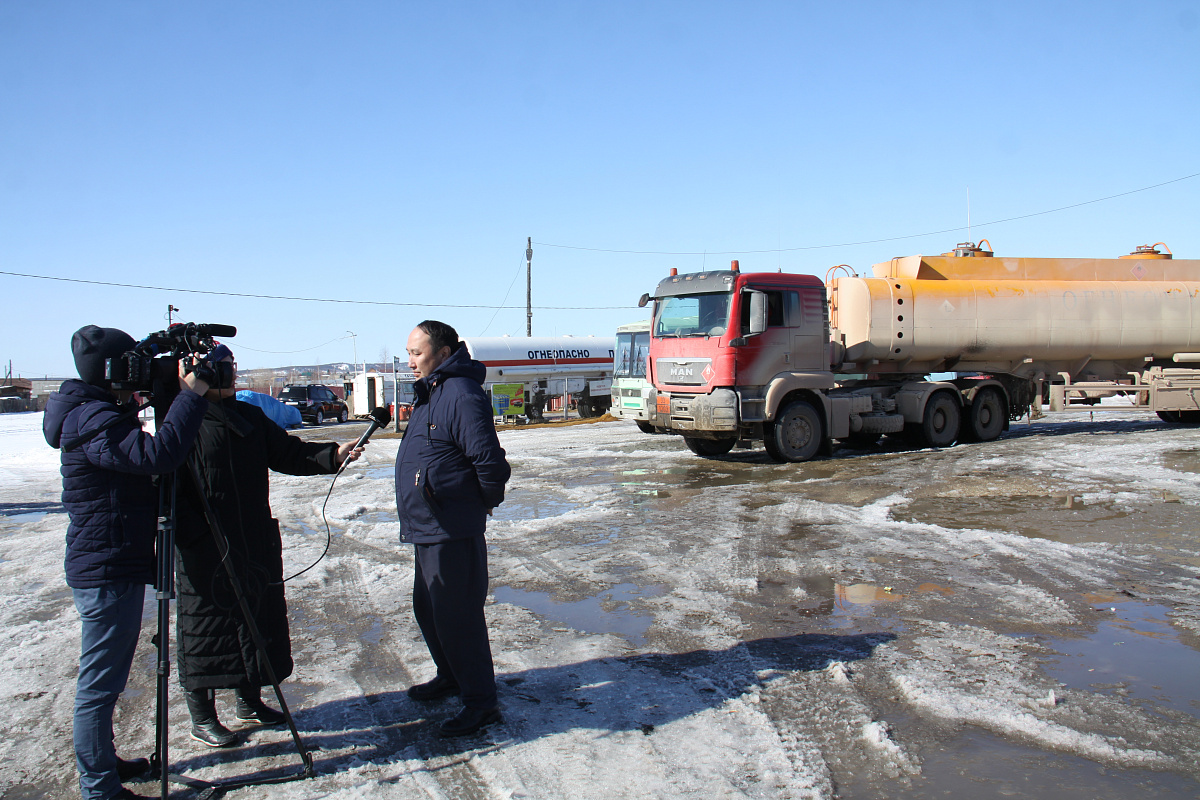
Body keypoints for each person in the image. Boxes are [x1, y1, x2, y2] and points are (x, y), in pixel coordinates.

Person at [44, 325, 211, 800]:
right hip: (107, 566)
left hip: (112, 559)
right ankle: (98, 787)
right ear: (113, 372)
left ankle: (103, 763)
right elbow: (158, 455)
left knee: (107, 680)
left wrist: (160, 363)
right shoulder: (93, 419)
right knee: (99, 686)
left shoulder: (90, 410)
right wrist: (193, 393)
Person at [172, 344, 364, 747]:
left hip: (253, 536)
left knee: (256, 619)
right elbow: (168, 484)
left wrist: (333, 454)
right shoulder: (183, 419)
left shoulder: (248, 415)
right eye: (221, 369)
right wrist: (191, 535)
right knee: (205, 625)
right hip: (203, 544)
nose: (230, 375)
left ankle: (250, 701)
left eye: (231, 367)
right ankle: (202, 715)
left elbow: (288, 452)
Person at [395, 320, 511, 737]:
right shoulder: (431, 391)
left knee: (458, 618)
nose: (410, 361)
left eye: (416, 353)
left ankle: (481, 703)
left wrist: (475, 505)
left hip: (450, 526)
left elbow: (489, 463)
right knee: (429, 611)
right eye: (407, 353)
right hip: (427, 524)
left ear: (443, 354)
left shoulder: (461, 395)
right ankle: (451, 675)